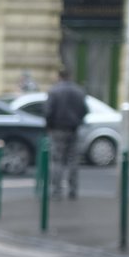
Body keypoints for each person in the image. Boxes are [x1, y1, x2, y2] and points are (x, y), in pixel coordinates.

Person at [44, 67, 87, 200]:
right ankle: (73, 190)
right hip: (73, 129)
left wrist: (49, 126)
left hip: (57, 129)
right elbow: (85, 110)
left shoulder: (54, 91)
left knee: (57, 160)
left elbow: (48, 111)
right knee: (73, 160)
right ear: (70, 75)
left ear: (59, 76)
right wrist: (77, 121)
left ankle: (56, 191)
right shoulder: (79, 91)